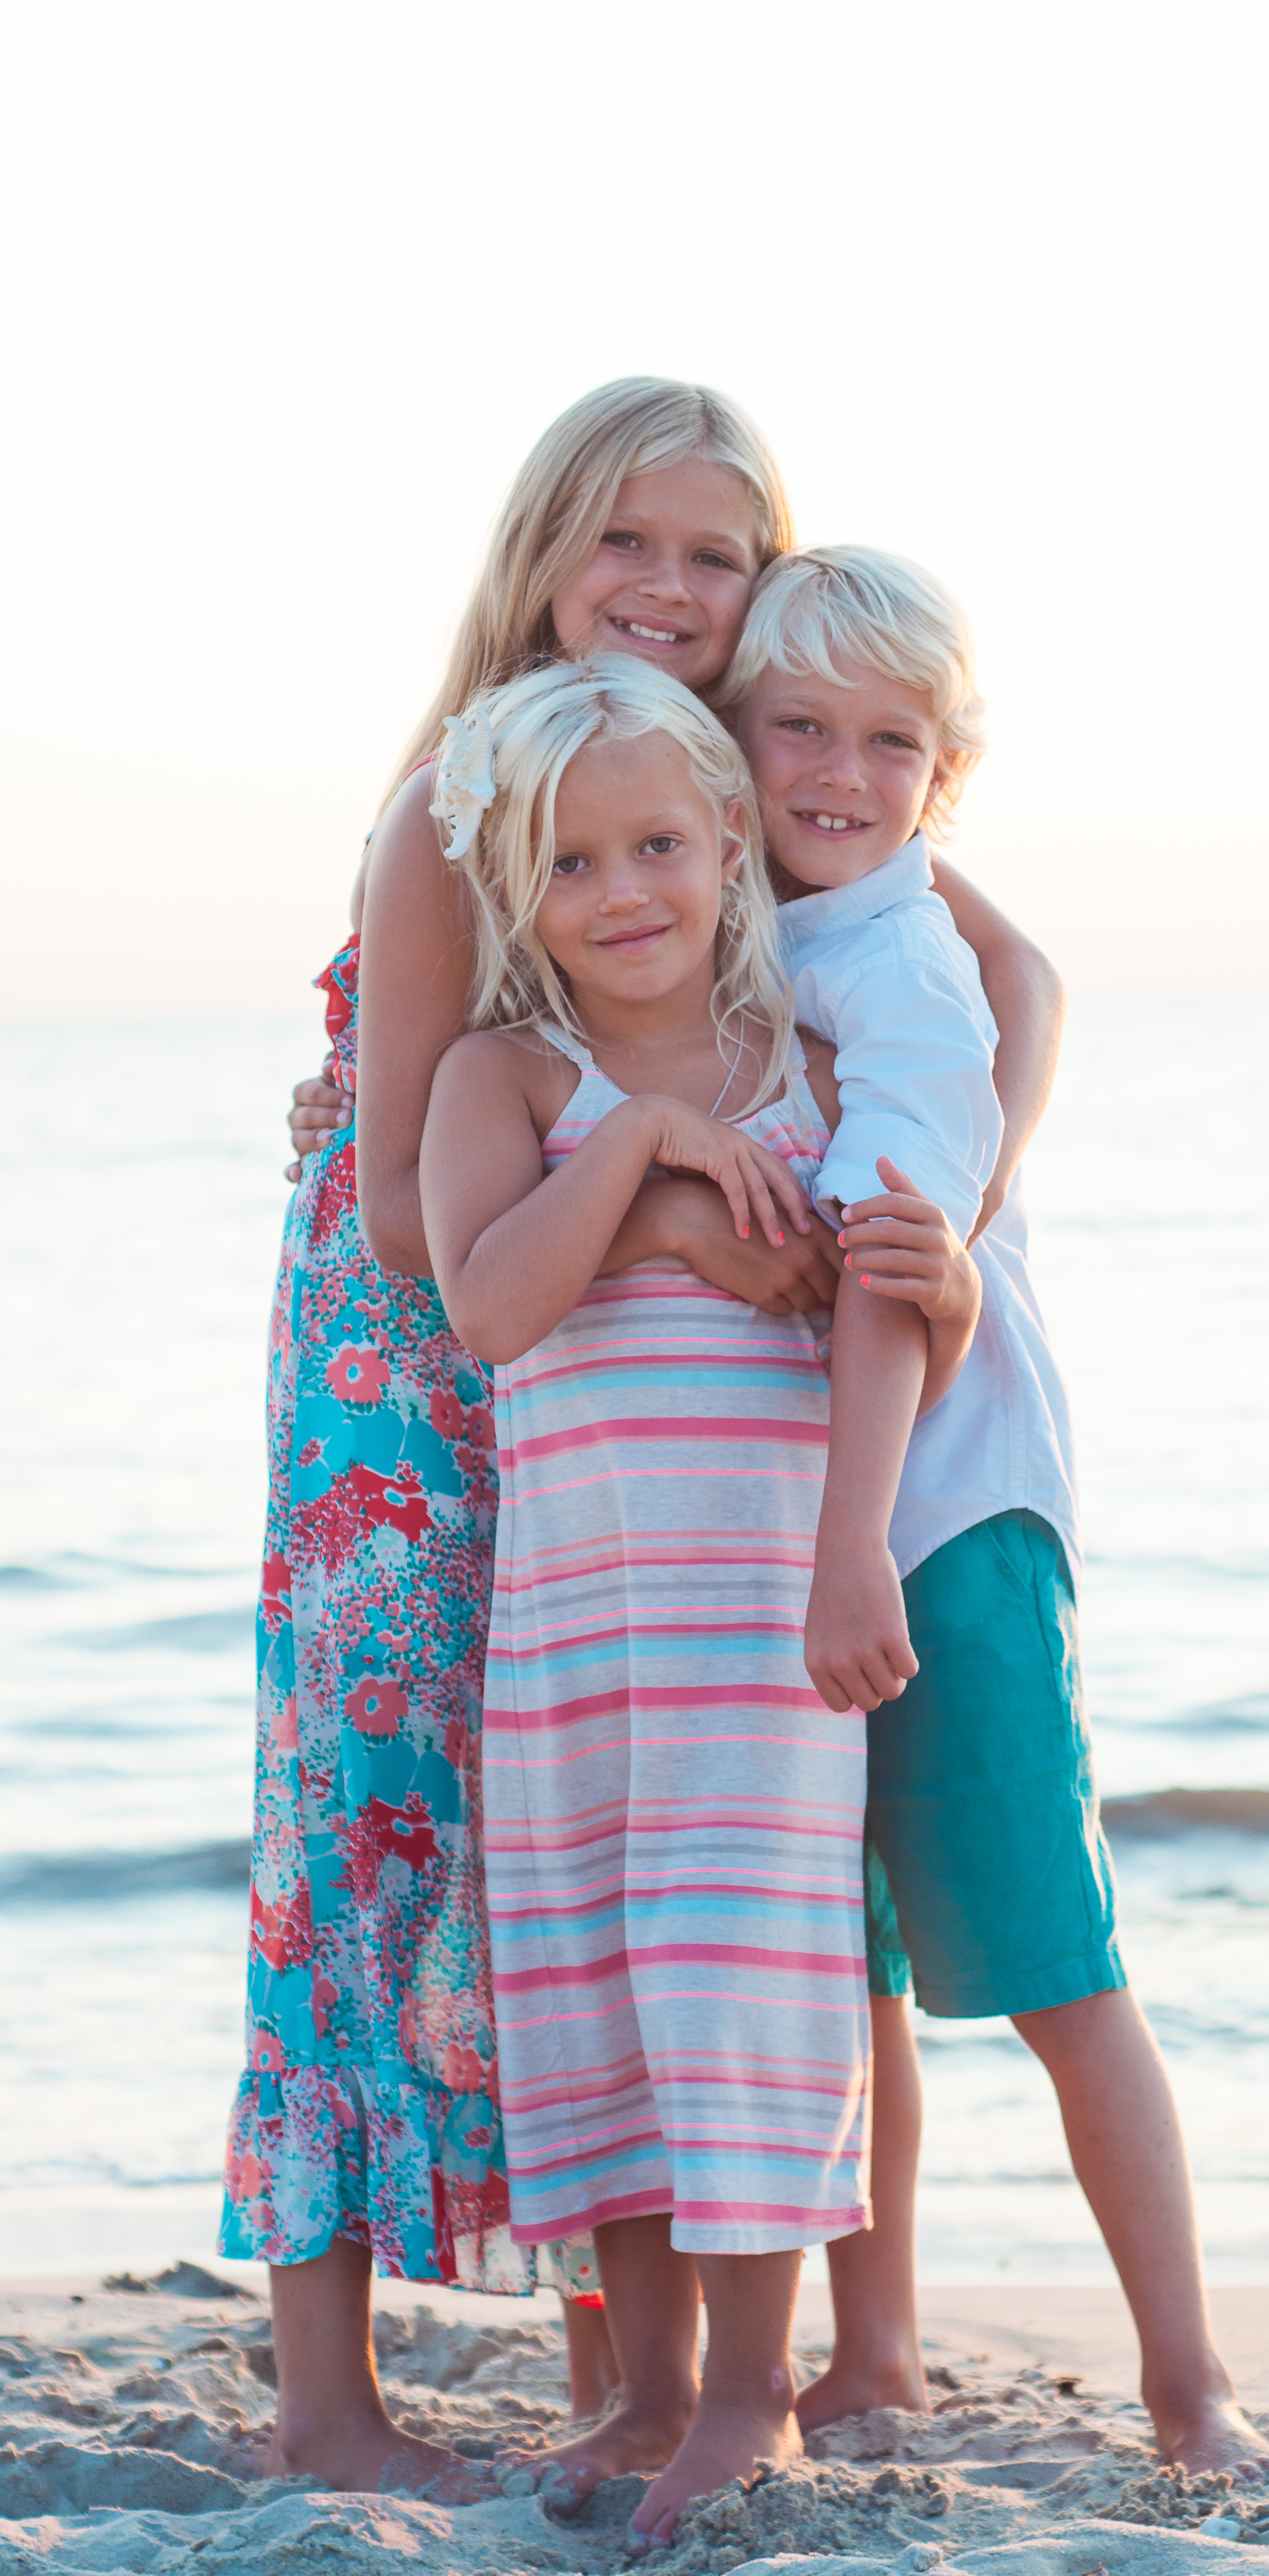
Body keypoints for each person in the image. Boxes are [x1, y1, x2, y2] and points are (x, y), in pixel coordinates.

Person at [223, 378, 815, 2492]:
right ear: (540, 551)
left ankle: (628, 2376)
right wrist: (678, 1199)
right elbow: (400, 1197)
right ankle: (323, 2403)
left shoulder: (701, 797)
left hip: (580, 1387)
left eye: (714, 554)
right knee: (375, 1834)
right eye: (624, 542)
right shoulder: (451, 805)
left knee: (560, 1838)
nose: (664, 590)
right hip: (407, 1389)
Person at [718, 547, 1269, 2481]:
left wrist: (854, 1540)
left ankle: (1189, 2383)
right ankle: (871, 2351)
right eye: (798, 727)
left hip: (938, 1521)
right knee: (843, 1956)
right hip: (819, 1523)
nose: (837, 771)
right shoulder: (741, 915)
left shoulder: (904, 967)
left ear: (942, 777)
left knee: (1054, 1962)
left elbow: (896, 1265)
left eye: (889, 744)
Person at [417, 655, 979, 2545]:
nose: (623, 891)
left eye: (658, 842)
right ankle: (645, 2387)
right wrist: (650, 1154)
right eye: (571, 865)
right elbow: (485, 1305)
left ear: (732, 843)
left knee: (750, 1992)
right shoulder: (501, 1075)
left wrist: (857, 1546)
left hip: (761, 1628)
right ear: (516, 891)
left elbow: (880, 1304)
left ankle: (753, 2394)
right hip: (578, 1635)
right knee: (592, 1985)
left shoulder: (812, 1073)